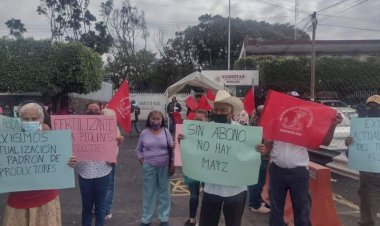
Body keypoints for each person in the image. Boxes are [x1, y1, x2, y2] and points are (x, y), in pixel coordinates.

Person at [263, 92, 342, 226]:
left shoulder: (307, 124)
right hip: (277, 171)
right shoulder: (274, 122)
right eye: (290, 101)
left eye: (296, 102)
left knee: (302, 211)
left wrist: (333, 125)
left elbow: (326, 142)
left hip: (299, 173)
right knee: (276, 210)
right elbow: (266, 148)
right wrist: (257, 150)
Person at [197, 90, 266, 226]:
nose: (219, 113)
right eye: (216, 110)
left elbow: (252, 159)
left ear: (231, 112)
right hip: (212, 189)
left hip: (236, 190)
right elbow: (195, 150)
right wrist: (185, 141)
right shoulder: (205, 130)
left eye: (223, 110)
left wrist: (259, 150)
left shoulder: (243, 132)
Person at [3, 102, 77, 226]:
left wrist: (70, 162)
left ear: (41, 119)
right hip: (18, 199)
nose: (29, 122)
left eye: (34, 119)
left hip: (46, 198)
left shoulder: (54, 138)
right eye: (26, 119)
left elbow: (63, 160)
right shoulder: (8, 139)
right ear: (20, 120)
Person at [345, 95, 380, 226]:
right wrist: (350, 145)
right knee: (368, 217)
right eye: (370, 106)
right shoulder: (360, 128)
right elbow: (351, 155)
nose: (373, 109)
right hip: (369, 177)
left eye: (376, 106)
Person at [136, 110, 176, 226]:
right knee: (149, 193)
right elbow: (138, 149)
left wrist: (173, 163)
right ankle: (146, 219)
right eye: (153, 118)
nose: (155, 121)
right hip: (149, 167)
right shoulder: (144, 133)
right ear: (149, 120)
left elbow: (172, 148)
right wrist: (142, 161)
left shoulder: (166, 132)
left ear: (162, 120)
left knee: (165, 193)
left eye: (158, 119)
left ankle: (163, 218)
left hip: (164, 167)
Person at [76, 102, 112, 226]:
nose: (93, 111)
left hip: (103, 170)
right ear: (85, 112)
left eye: (96, 109)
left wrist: (118, 142)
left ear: (101, 111)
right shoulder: (78, 127)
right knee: (86, 206)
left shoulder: (108, 126)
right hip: (84, 171)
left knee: (100, 206)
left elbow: (113, 146)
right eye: (90, 109)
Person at [183, 109, 208, 226]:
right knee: (194, 195)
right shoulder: (188, 131)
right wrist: (180, 141)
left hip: (207, 169)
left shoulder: (212, 134)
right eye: (196, 119)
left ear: (206, 120)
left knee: (207, 196)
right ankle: (192, 220)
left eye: (200, 119)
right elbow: (183, 149)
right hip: (193, 167)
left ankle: (204, 220)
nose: (197, 121)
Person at [102, 108, 125, 221]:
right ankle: (106, 210)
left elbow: (117, 144)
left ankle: (103, 209)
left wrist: (119, 141)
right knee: (109, 187)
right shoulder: (115, 128)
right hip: (109, 160)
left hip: (108, 161)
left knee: (104, 187)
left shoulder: (114, 129)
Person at [247, 105, 271, 214]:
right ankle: (255, 204)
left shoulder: (253, 123)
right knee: (258, 181)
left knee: (253, 180)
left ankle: (253, 201)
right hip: (261, 157)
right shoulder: (262, 125)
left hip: (254, 156)